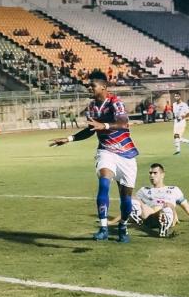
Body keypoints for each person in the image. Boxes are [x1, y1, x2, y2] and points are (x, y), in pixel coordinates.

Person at [49, 70, 139, 243]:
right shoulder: (91, 107)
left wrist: (103, 125)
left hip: (126, 154)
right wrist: (69, 139)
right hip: (106, 151)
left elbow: (122, 122)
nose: (90, 88)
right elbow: (91, 130)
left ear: (103, 86)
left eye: (93, 85)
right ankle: (103, 228)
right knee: (104, 183)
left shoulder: (115, 102)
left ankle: (123, 226)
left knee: (126, 198)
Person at [108, 163, 189, 237]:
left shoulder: (174, 190)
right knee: (132, 200)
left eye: (155, 173)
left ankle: (163, 227)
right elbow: (128, 207)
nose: (152, 176)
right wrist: (112, 221)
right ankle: (139, 220)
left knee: (168, 207)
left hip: (166, 213)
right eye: (150, 173)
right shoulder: (144, 190)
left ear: (162, 175)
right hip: (149, 217)